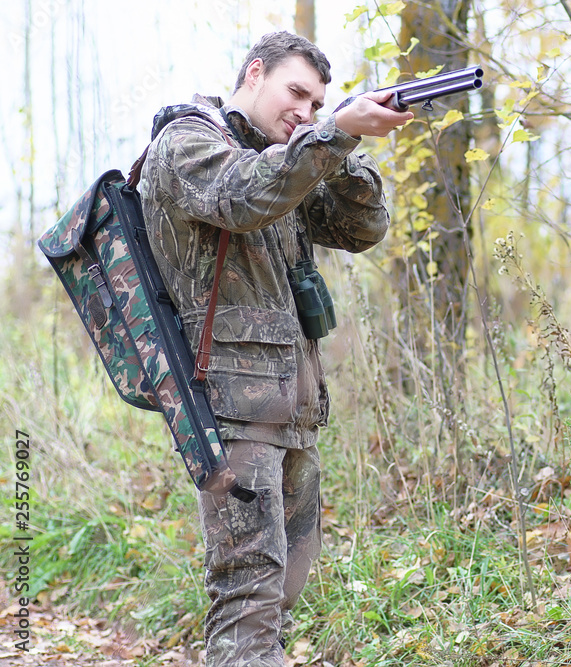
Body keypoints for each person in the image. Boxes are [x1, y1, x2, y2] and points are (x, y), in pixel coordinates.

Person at [139, 31, 413, 667]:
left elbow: (362, 228)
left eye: (317, 104)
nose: (305, 111)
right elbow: (242, 197)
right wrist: (331, 134)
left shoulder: (290, 159)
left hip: (293, 408)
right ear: (254, 73)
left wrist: (341, 146)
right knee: (248, 591)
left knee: (282, 589)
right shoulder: (189, 143)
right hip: (232, 410)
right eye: (296, 93)